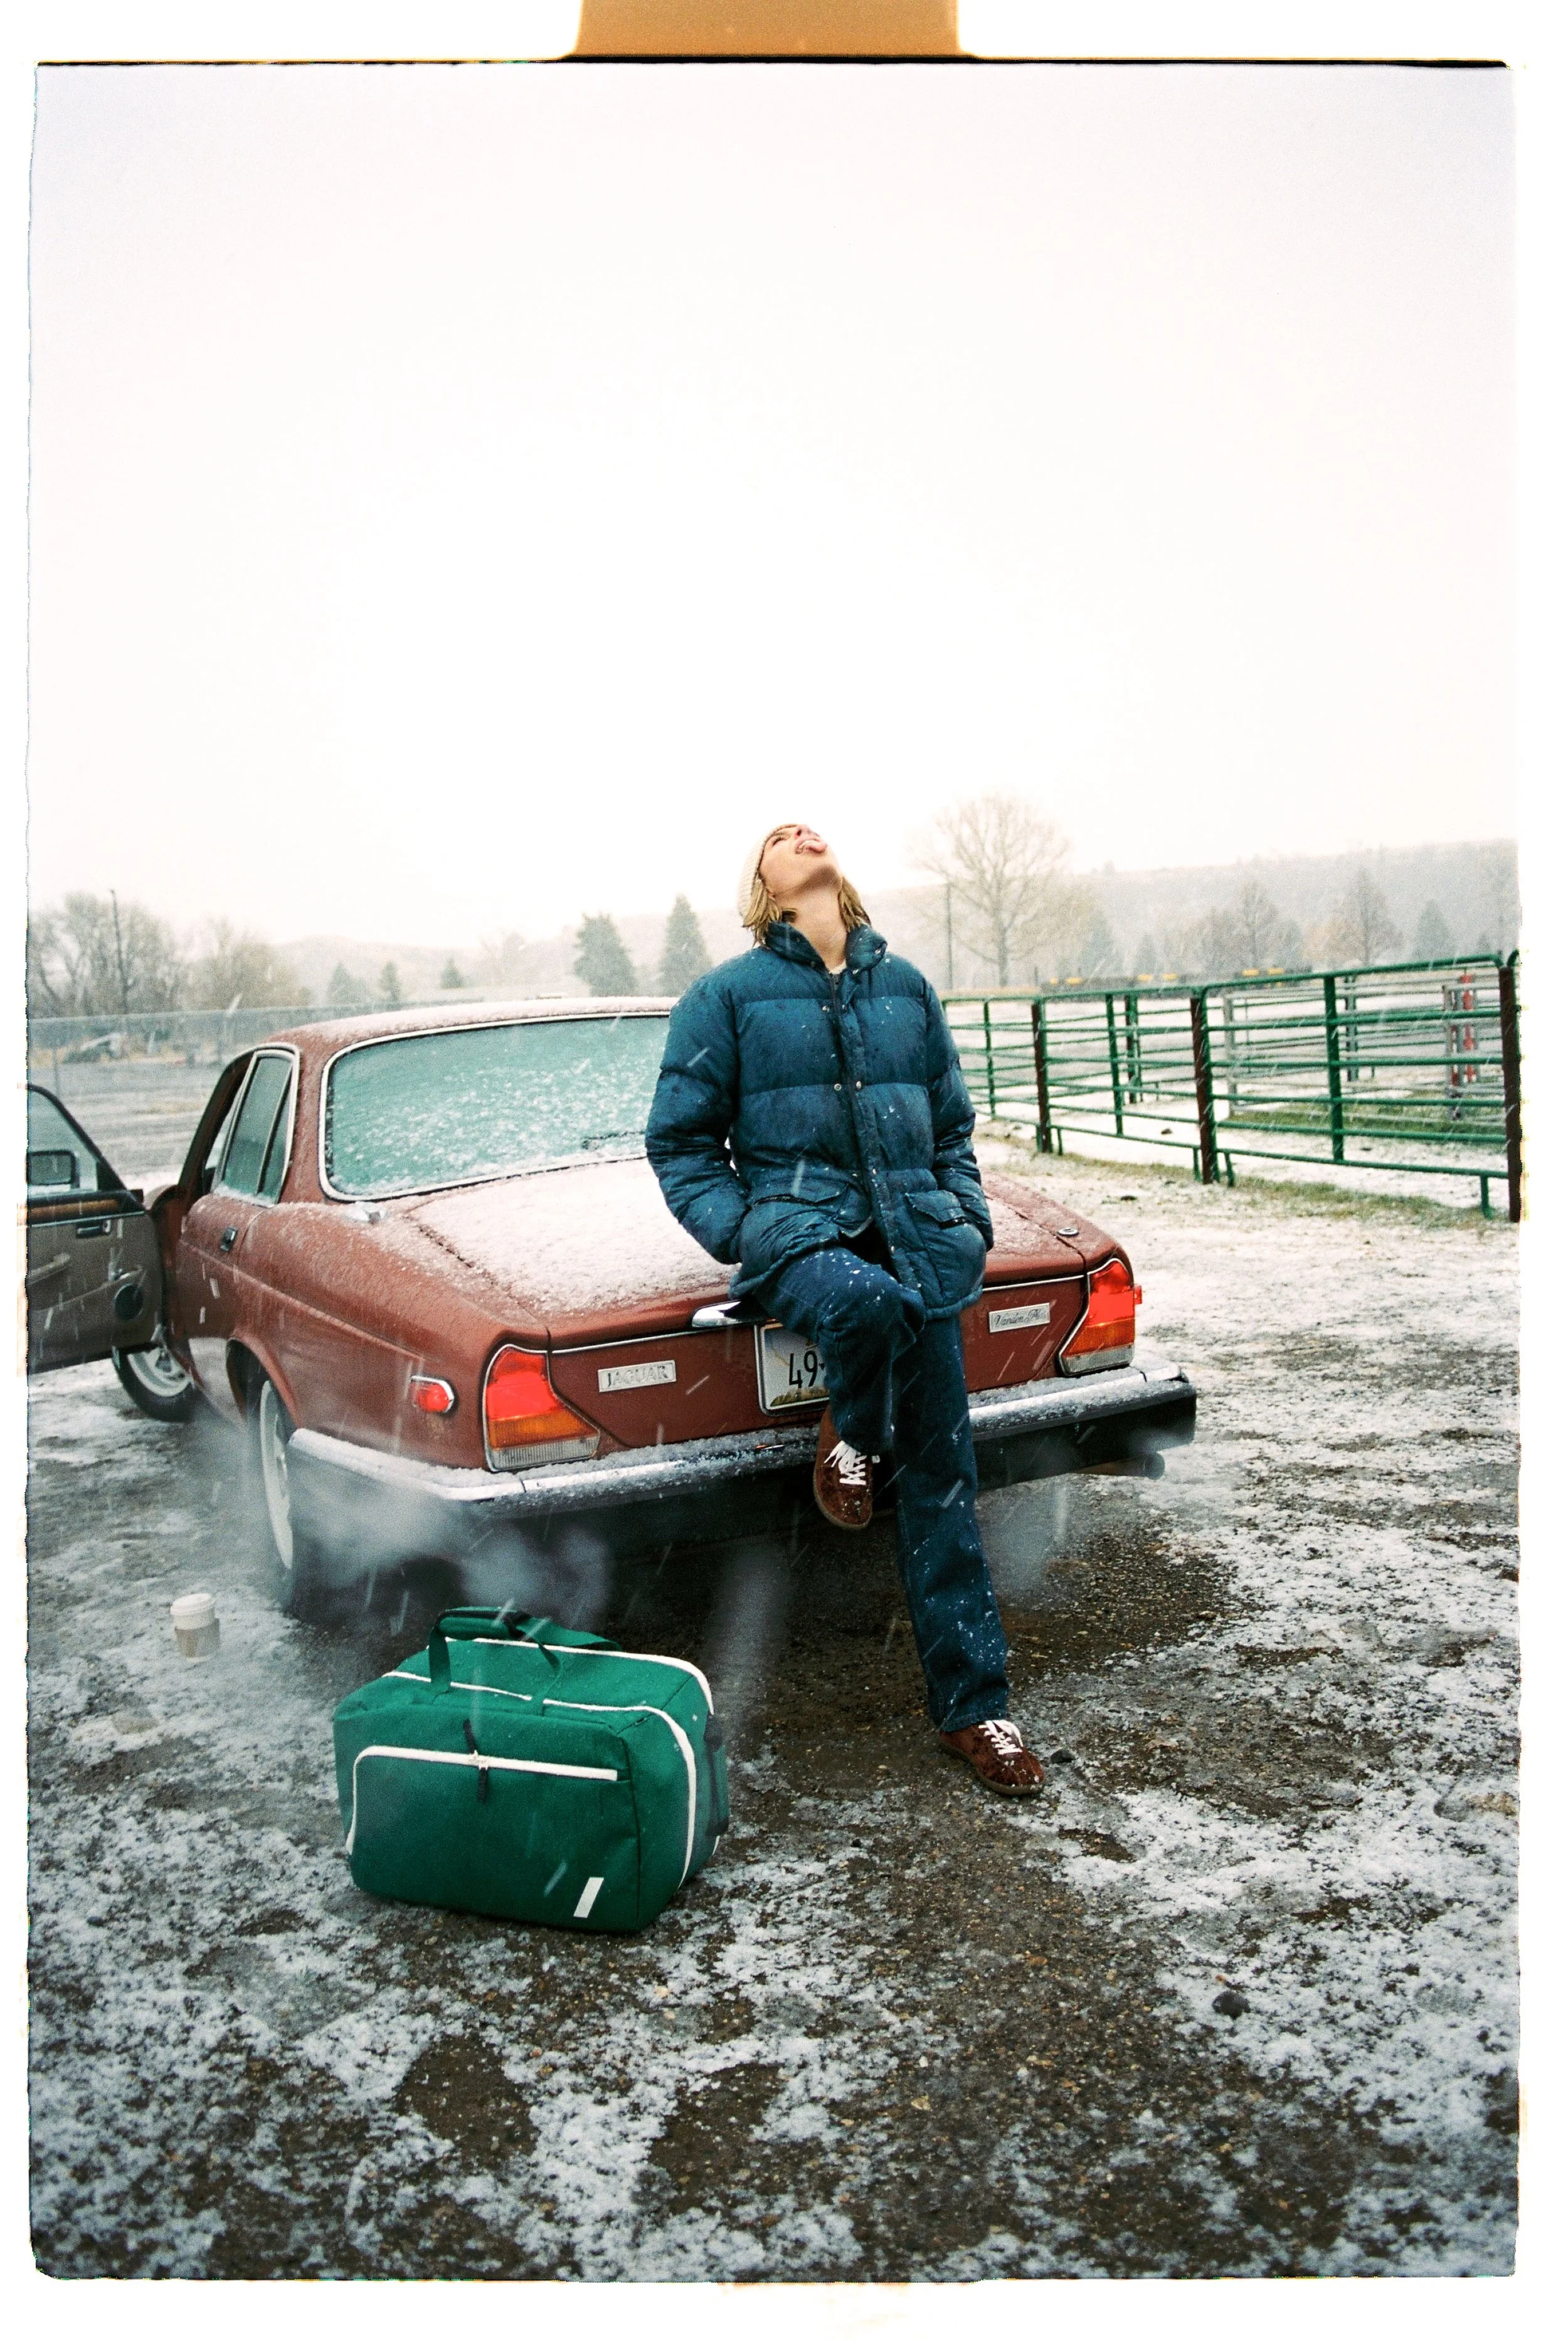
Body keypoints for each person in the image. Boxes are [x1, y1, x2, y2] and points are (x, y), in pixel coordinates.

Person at [644, 821, 1045, 1796]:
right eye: (776, 839)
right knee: (872, 1307)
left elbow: (952, 1125)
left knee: (947, 1482)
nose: (796, 833)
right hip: (804, 1240)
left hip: (920, 1237)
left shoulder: (904, 987)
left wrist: (968, 1219)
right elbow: (681, 1145)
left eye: (807, 828)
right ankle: (854, 1431)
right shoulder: (726, 997)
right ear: (765, 889)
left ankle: (975, 1707)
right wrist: (748, 1230)